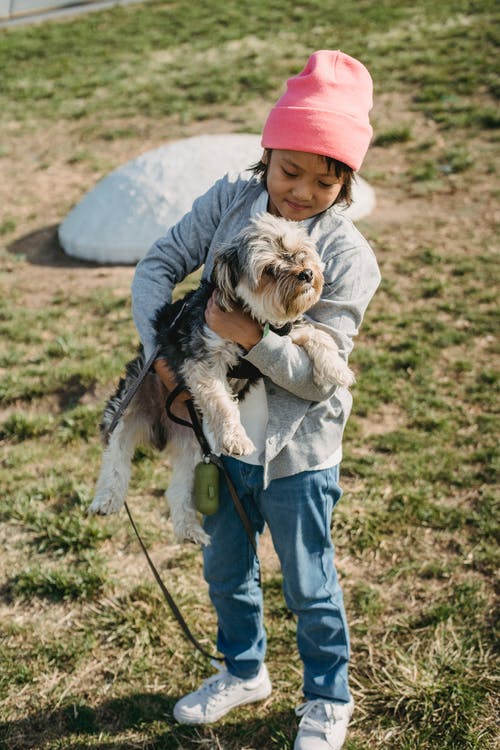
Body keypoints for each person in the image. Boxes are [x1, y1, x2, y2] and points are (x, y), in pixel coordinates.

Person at [131, 49, 381, 750]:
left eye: (325, 180)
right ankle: (243, 670)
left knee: (309, 579)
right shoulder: (225, 204)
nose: (300, 191)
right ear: (265, 156)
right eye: (289, 170)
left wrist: (248, 338)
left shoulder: (350, 259)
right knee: (223, 564)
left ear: (347, 181)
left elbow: (318, 376)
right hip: (218, 435)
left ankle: (328, 697)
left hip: (299, 451)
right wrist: (165, 355)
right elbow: (158, 264)